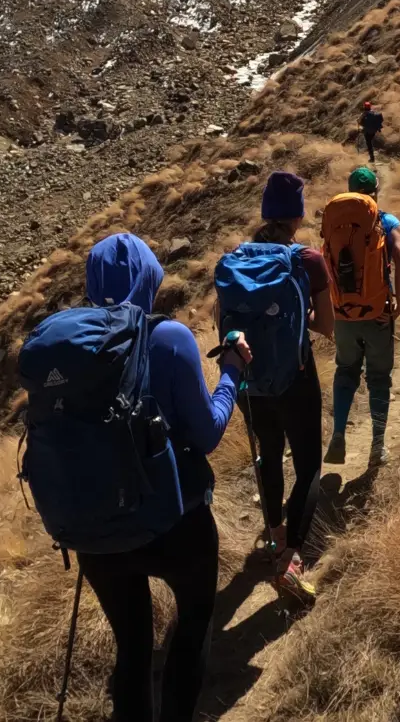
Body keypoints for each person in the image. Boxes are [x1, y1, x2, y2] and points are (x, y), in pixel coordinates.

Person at [76, 233, 252, 722]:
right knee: (193, 623)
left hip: (98, 532)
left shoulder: (71, 348)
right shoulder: (170, 338)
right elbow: (208, 433)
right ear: (150, 279)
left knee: (132, 647)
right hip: (175, 521)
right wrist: (232, 371)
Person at [217, 171, 334, 603]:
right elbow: (326, 326)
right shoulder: (308, 260)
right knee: (308, 465)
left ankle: (274, 535)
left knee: (268, 451)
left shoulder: (234, 261)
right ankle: (291, 560)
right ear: (297, 215)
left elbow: (221, 323)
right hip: (295, 379)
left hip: (248, 380)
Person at [323, 166, 400, 468]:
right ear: (375, 193)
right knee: (379, 378)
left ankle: (338, 434)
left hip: (342, 315)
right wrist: (399, 303)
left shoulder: (336, 223)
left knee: (346, 371)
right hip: (377, 314)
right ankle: (377, 446)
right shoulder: (385, 221)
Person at [360, 100, 383, 165]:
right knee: (370, 141)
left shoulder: (364, 114)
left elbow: (360, 122)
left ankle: (372, 158)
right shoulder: (373, 112)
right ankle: (372, 155)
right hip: (374, 131)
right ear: (370, 107)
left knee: (369, 143)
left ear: (364, 107)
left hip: (367, 131)